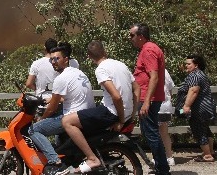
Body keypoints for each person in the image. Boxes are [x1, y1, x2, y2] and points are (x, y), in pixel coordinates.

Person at [61, 40, 139, 173]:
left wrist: (120, 120)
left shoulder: (101, 69)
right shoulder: (121, 65)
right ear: (105, 51)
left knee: (67, 121)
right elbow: (137, 89)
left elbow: (116, 96)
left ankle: (92, 158)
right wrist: (131, 114)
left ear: (89, 56)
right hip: (126, 112)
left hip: (112, 112)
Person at [28, 45, 95, 175]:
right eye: (51, 60)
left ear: (66, 59)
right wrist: (53, 100)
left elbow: (52, 108)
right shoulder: (78, 73)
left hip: (72, 117)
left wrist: (42, 118)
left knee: (34, 129)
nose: (53, 62)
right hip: (85, 113)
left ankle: (55, 161)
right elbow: (71, 96)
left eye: (57, 59)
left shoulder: (60, 78)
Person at [128, 23, 170, 175]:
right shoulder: (150, 48)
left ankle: (162, 169)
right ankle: (161, 166)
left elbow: (154, 76)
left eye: (132, 35)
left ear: (141, 36)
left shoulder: (148, 50)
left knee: (151, 133)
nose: (130, 38)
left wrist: (146, 101)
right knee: (151, 133)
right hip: (150, 97)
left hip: (148, 98)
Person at [178, 53, 216, 163]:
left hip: (198, 109)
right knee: (205, 130)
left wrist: (186, 106)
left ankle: (208, 155)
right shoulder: (201, 74)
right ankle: (210, 151)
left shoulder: (195, 75)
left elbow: (194, 90)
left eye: (189, 64)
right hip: (206, 108)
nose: (186, 65)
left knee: (199, 131)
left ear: (196, 65)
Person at [158, 68, 176, 166]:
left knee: (155, 134)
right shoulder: (164, 70)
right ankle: (169, 157)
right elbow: (170, 89)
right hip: (166, 106)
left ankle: (158, 157)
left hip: (156, 106)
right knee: (164, 133)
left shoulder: (150, 70)